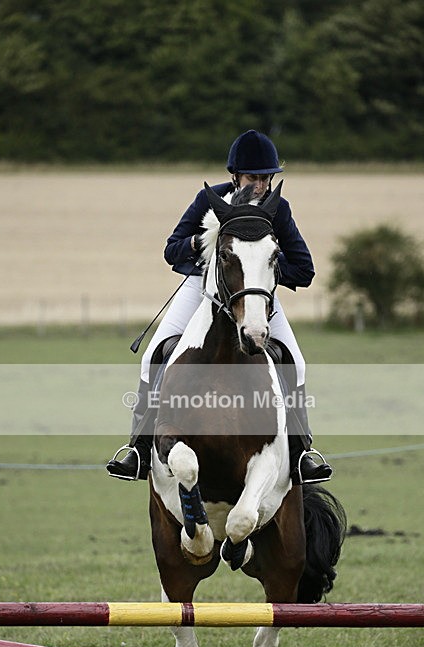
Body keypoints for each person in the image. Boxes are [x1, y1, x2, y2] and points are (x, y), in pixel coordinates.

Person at [107, 130, 332, 484]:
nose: (258, 185)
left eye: (264, 178)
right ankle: (138, 448)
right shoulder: (210, 200)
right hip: (203, 288)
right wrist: (203, 243)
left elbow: (304, 270)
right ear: (235, 176)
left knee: (296, 363)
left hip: (253, 293)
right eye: (252, 177)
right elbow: (173, 249)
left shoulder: (279, 209)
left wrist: (263, 269)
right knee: (153, 355)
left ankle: (301, 451)